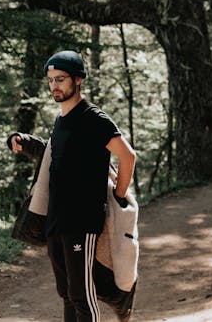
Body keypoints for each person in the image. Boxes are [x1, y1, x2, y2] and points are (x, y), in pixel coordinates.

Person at [7, 50, 136, 322]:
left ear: (78, 80)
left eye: (61, 79)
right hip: (56, 219)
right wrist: (24, 140)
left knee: (81, 293)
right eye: (51, 80)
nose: (55, 85)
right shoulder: (62, 119)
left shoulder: (94, 119)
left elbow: (127, 156)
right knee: (66, 292)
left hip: (81, 220)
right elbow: (53, 154)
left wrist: (119, 194)